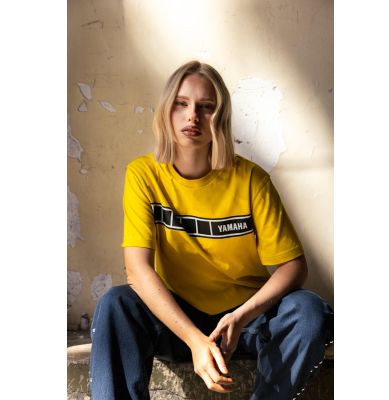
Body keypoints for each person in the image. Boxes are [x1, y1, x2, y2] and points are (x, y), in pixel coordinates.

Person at [89, 60, 333, 400]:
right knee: (116, 304)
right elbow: (137, 270)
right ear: (166, 110)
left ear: (220, 118)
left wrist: (241, 317)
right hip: (177, 320)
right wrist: (194, 340)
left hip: (244, 322)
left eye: (206, 107)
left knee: (309, 311)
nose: (193, 116)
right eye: (182, 103)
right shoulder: (143, 175)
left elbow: (294, 267)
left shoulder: (251, 179)